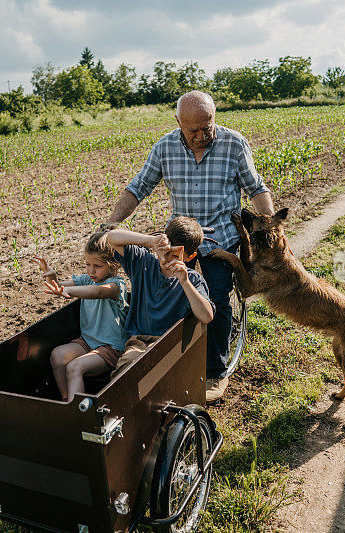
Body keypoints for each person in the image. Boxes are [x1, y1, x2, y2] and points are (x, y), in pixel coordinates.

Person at [105, 90, 275, 402]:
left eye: (206, 128)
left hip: (220, 237)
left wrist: (271, 225)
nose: (199, 136)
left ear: (215, 118)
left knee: (218, 301)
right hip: (180, 237)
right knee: (173, 298)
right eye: (192, 130)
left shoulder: (234, 144)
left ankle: (214, 371)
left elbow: (256, 188)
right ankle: (171, 358)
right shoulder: (165, 147)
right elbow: (138, 187)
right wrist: (112, 221)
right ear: (178, 123)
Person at [105, 217, 214, 373]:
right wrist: (151, 241)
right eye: (165, 251)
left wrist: (185, 282)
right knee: (127, 371)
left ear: (190, 257)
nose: (166, 258)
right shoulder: (143, 263)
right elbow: (112, 237)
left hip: (171, 346)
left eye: (174, 255)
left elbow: (206, 316)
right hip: (139, 342)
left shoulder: (193, 280)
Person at [33, 232, 128, 402]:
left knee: (74, 367)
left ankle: (78, 415)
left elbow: (99, 292)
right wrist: (51, 275)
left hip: (111, 347)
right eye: (88, 264)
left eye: (97, 266)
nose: (91, 270)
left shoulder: (117, 284)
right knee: (58, 356)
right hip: (88, 341)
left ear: (112, 264)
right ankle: (66, 400)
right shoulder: (86, 280)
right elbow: (59, 286)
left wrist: (68, 291)